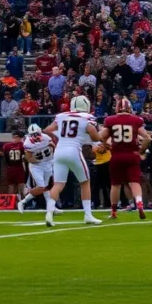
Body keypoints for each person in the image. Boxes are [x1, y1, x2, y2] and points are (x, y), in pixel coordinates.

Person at [42, 94, 102, 226]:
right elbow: (94, 134)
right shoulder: (87, 118)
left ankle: (49, 213)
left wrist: (58, 137)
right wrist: (100, 138)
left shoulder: (62, 116)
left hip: (59, 151)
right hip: (74, 151)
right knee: (85, 182)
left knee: (58, 184)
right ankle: (88, 215)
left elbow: (46, 130)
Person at [99, 97, 150, 219]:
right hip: (132, 154)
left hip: (116, 155)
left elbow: (100, 136)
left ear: (117, 108)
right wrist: (141, 150)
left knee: (115, 184)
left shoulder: (110, 120)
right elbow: (147, 138)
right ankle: (139, 203)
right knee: (135, 182)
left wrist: (106, 144)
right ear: (129, 108)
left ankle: (113, 212)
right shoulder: (136, 120)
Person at [18, 123, 54, 212]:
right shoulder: (28, 144)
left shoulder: (46, 137)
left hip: (48, 163)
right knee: (41, 187)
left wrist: (53, 155)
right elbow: (29, 158)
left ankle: (51, 207)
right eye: (33, 134)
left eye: (37, 134)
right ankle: (23, 201)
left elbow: (52, 145)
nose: (36, 136)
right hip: (37, 166)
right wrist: (41, 161)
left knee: (46, 187)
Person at [1, 131, 26, 201]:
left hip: (11, 167)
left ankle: (11, 201)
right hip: (18, 167)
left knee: (14, 185)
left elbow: (5, 157)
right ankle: (20, 201)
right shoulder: (22, 145)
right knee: (19, 185)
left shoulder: (6, 145)